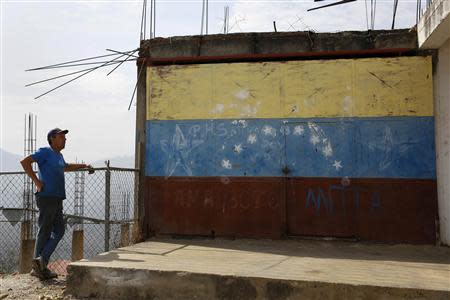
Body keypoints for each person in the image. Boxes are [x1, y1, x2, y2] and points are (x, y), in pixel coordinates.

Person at [21, 128, 92, 280]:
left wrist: (83, 165)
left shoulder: (58, 155)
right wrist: (37, 182)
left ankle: (40, 262)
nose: (65, 139)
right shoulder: (45, 152)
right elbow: (25, 162)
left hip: (57, 198)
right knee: (45, 230)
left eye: (64, 137)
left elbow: (65, 167)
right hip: (47, 197)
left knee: (59, 230)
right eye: (61, 137)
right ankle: (39, 266)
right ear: (52, 138)